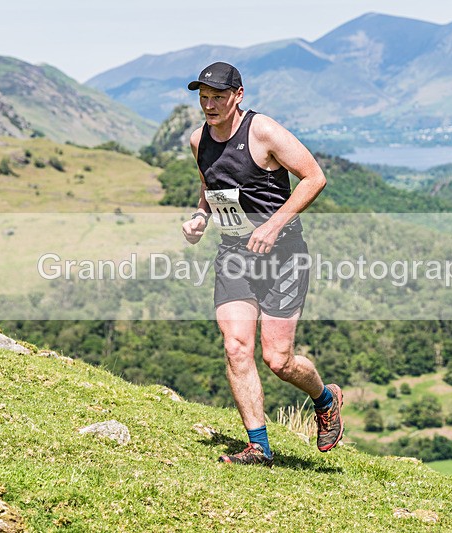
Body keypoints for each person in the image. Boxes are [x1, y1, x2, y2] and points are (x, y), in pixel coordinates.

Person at [181, 61, 343, 466]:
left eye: (218, 97)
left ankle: (325, 398)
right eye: (204, 97)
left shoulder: (263, 131)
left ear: (238, 95)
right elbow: (209, 187)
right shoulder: (199, 140)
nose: (209, 104)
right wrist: (200, 216)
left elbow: (314, 177)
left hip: (283, 256)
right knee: (236, 347)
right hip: (234, 255)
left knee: (278, 360)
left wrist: (273, 225)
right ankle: (259, 447)